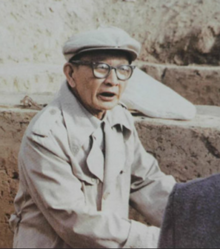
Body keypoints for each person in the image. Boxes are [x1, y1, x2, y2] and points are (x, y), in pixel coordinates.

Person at [10, 26, 176, 248]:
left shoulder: (119, 118)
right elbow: (75, 220)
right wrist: (160, 240)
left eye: (122, 69)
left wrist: (192, 221)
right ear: (70, 74)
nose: (112, 80)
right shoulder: (46, 135)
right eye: (101, 68)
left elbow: (146, 182)